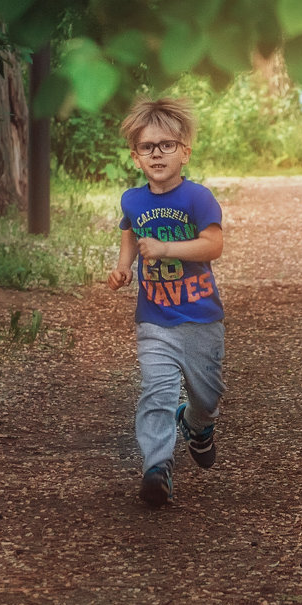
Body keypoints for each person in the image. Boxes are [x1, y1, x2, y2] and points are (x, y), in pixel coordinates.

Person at [107, 97, 225, 507]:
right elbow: (129, 233)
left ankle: (197, 424)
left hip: (201, 318)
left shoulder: (198, 199)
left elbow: (214, 245)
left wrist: (166, 249)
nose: (157, 153)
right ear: (135, 155)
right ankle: (157, 468)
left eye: (167, 145)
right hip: (154, 318)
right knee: (156, 391)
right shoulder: (133, 201)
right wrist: (124, 267)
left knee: (207, 398)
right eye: (147, 147)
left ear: (185, 152)